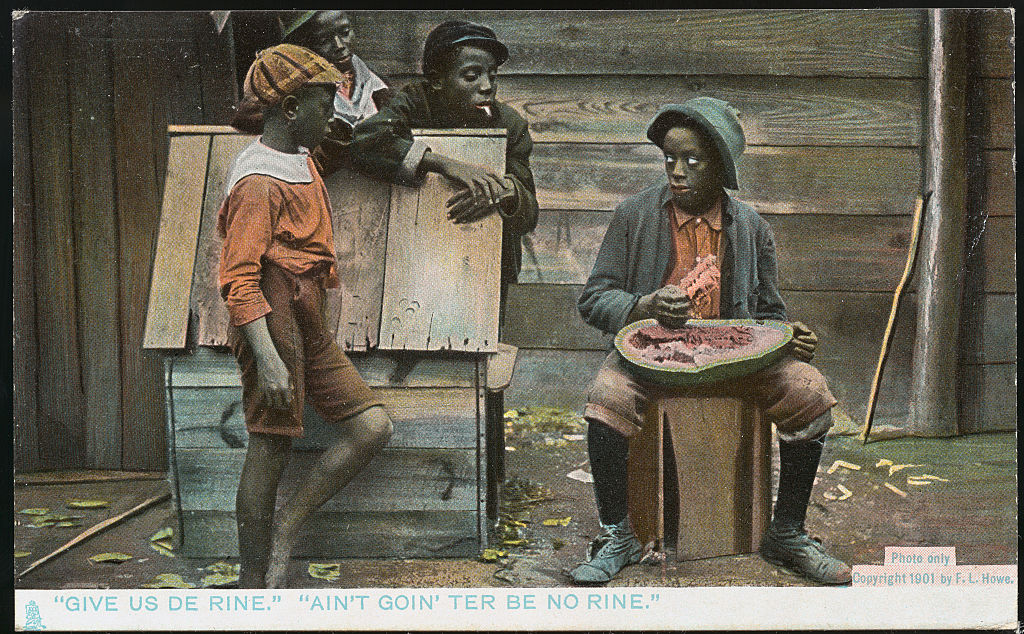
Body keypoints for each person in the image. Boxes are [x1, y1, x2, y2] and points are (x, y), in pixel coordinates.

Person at [570, 97, 852, 586]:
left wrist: (788, 337)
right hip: (650, 353)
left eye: (692, 162)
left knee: (808, 390)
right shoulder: (634, 216)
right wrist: (642, 307)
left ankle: (786, 532)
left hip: (733, 359)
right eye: (669, 160)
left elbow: (767, 315)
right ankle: (617, 535)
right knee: (606, 398)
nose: (677, 172)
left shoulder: (752, 228)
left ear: (720, 167)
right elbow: (594, 299)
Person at [218, 44, 393, 589]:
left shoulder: (299, 157)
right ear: (291, 108)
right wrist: (268, 361)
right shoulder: (257, 181)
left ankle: (287, 529)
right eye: (324, 102)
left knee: (371, 426)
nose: (334, 112)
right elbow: (238, 280)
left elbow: (366, 141)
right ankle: (253, 584)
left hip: (307, 317)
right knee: (270, 443)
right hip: (272, 320)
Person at [350, 19, 539, 300]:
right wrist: (443, 164)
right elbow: (366, 140)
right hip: (413, 256)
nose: (487, 86)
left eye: (493, 74)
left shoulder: (509, 124)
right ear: (437, 80)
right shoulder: (416, 102)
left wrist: (505, 191)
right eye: (472, 76)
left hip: (483, 266)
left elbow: (529, 212)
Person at [231, 11, 393, 173]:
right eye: (323, 40)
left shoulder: (378, 86)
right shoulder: (286, 90)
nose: (339, 45)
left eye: (345, 33)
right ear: (304, 46)